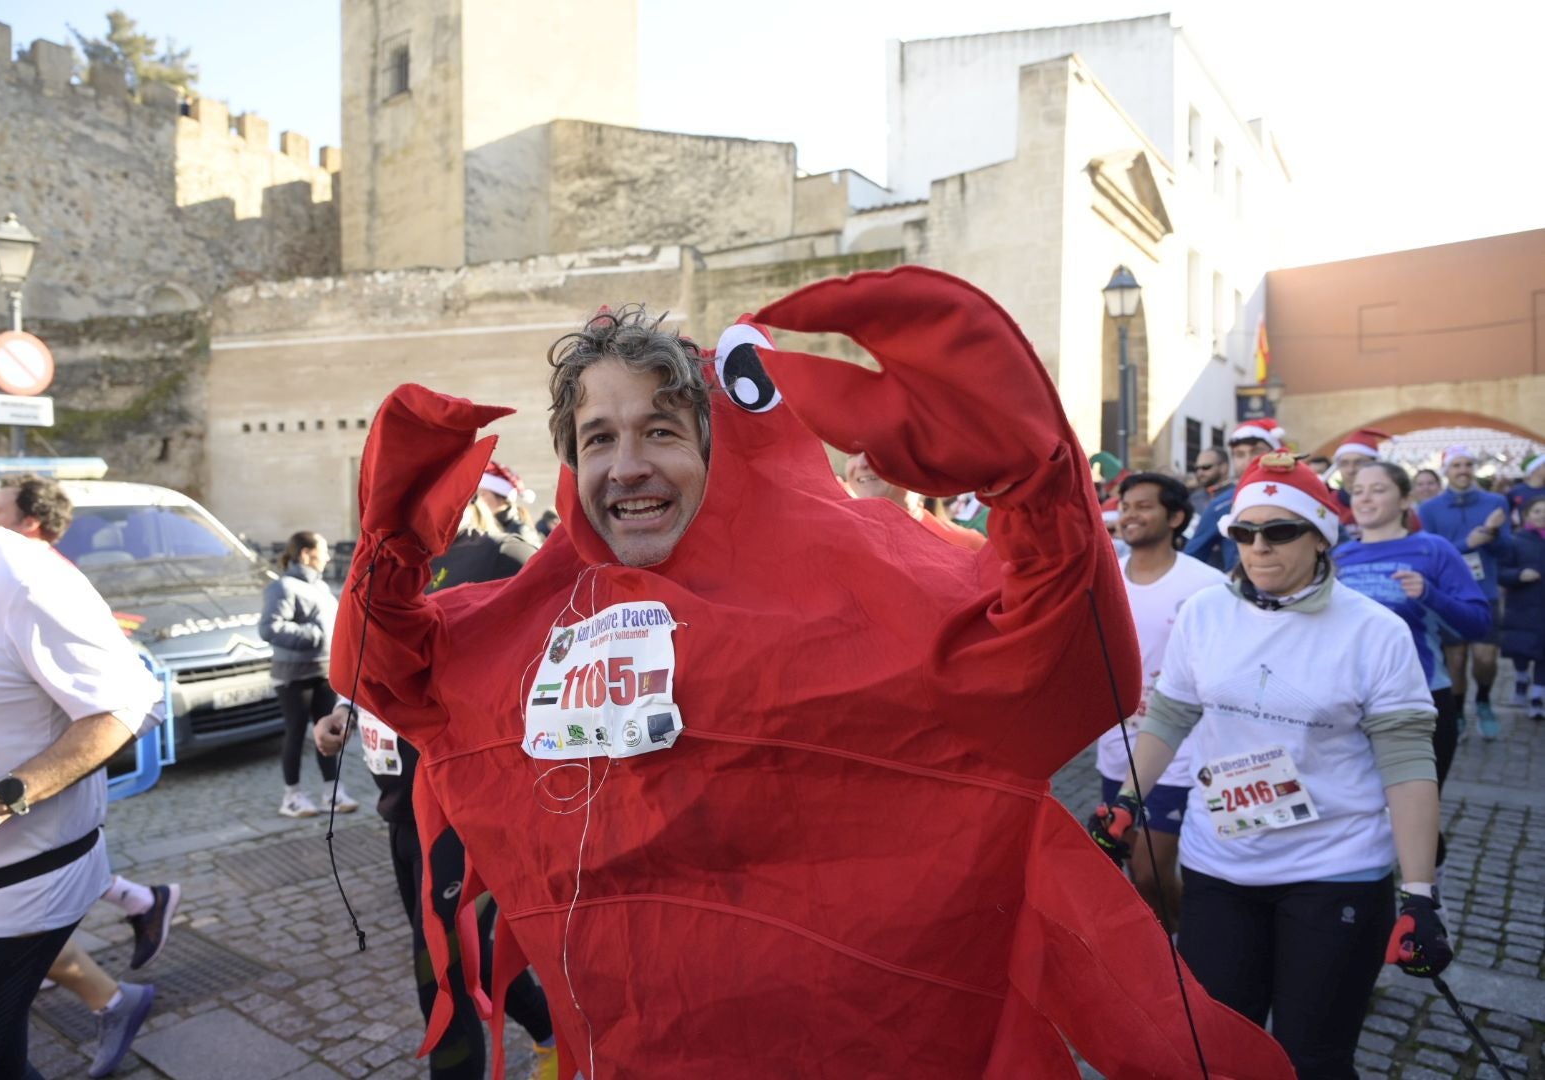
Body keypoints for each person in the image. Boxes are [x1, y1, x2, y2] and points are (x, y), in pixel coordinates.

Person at [327, 278, 1294, 1079]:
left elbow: (1062, 665)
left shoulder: (866, 588)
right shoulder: (531, 622)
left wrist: (1032, 483)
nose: (627, 465)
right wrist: (393, 543)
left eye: (662, 431)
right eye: (598, 438)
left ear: (717, 448)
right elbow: (392, 674)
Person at [1089, 451, 1449, 1079]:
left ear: (1320, 539)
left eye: (1280, 531)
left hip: (1335, 867)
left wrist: (1419, 896)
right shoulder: (1205, 613)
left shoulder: (1375, 632)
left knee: (1314, 1058)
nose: (1258, 547)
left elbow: (1408, 764)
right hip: (1219, 864)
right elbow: (1170, 718)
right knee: (1221, 1048)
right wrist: (1126, 801)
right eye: (1244, 532)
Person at [0, 409, 164, 1080]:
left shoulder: (24, 576)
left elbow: (124, 706)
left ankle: (118, 1003)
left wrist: (0, 797)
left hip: (18, 883)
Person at [316, 470, 557, 1080]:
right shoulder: (376, 569)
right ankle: (550, 1027)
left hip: (466, 808)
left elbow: (553, 667)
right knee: (455, 955)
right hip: (399, 804)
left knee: (439, 972)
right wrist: (343, 712)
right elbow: (372, 665)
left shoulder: (505, 556)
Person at [0, 473, 180, 1077]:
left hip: (26, 799)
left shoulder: (38, 579)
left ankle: (119, 983)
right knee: (14, 928)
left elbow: (131, 704)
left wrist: (16, 785)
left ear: (29, 523)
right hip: (9, 816)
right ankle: (139, 908)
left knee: (18, 921)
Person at [1333, 461, 1490, 877]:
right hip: (1348, 705)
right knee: (1358, 813)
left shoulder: (1433, 549)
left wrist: (1430, 594)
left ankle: (1427, 912)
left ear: (1405, 500)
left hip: (1422, 701)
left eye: (1378, 490)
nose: (1364, 498)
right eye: (1359, 489)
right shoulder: (1338, 556)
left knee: (1416, 814)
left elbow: (1478, 622)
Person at [1094, 472, 1224, 927]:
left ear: (1176, 517)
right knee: (1132, 865)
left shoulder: (1206, 585)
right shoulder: (1104, 579)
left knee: (1150, 869)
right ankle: (1168, 951)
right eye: (1125, 505)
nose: (1130, 514)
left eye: (1143, 506)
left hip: (1178, 750)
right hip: (1116, 748)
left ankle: (1182, 955)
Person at [260, 530, 356, 817]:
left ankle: (332, 792)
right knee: (295, 732)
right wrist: (315, 635)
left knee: (328, 730)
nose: (327, 556)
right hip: (293, 676)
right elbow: (269, 628)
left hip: (324, 671)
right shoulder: (283, 587)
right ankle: (292, 797)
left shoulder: (321, 587)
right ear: (305, 553)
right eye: (322, 550)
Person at [1417, 447, 1512, 739]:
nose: (1463, 470)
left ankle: (1483, 699)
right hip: (1448, 595)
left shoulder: (1496, 503)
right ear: (1446, 470)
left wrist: (1493, 534)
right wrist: (1468, 543)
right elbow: (1429, 555)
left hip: (1484, 591)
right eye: (1456, 465)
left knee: (1485, 658)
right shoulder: (1429, 508)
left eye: (1468, 464)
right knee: (1455, 659)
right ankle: (1457, 711)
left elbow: (1505, 550)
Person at [1186, 417, 1283, 571]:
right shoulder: (1222, 505)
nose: (1249, 460)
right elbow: (1192, 556)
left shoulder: (1299, 495)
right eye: (1239, 454)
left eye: (1257, 451)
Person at [845, 449, 986, 551]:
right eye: (852, 452)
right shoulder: (836, 539)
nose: (861, 463)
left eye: (877, 451)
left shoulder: (968, 545)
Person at [1499, 495, 1545, 722]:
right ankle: (1520, 678)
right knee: (1522, 650)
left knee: (1543, 655)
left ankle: (1537, 697)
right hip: (1523, 607)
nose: (1542, 516)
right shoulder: (1515, 541)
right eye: (1537, 511)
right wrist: (1519, 575)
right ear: (1526, 515)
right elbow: (1502, 573)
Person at [1189, 445, 1231, 515]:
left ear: (1223, 468)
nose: (1200, 473)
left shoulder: (1237, 495)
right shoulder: (1194, 498)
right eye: (1197, 468)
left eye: (1206, 467)